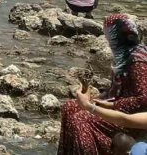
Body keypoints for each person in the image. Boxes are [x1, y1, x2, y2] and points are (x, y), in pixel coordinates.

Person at [57, 14, 147, 154]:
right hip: (120, 107)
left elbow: (143, 99)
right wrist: (99, 96)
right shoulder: (125, 55)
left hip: (133, 117)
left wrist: (111, 105)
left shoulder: (137, 62)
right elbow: (121, 89)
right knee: (70, 107)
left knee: (80, 119)